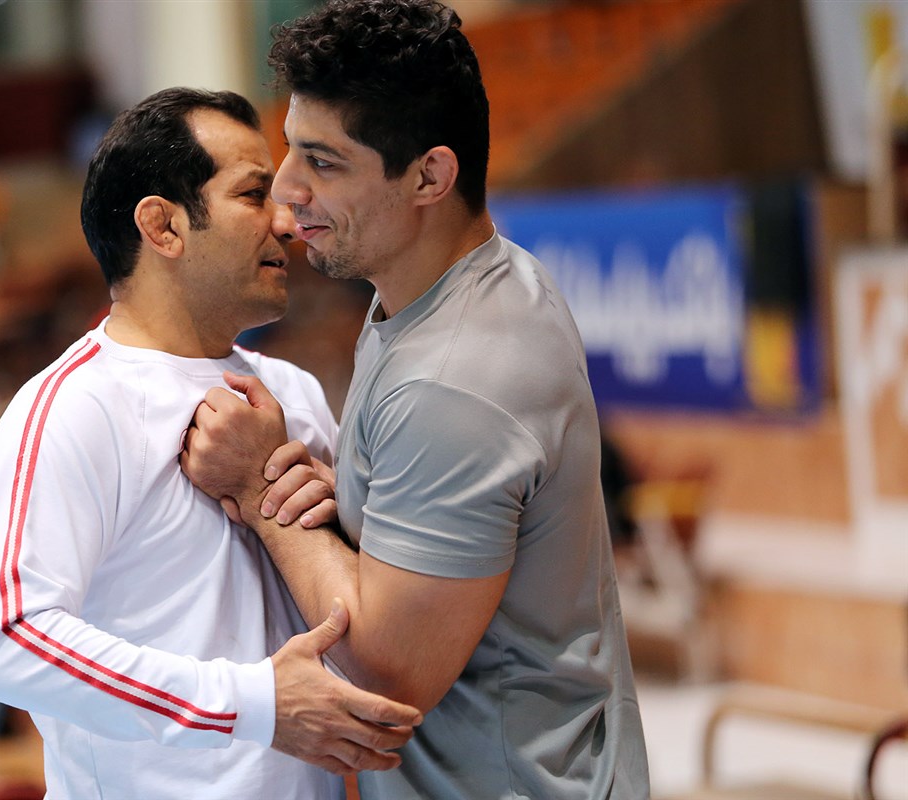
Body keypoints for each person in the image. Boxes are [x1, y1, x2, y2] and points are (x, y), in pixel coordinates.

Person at [179, 2, 650, 798]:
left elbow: (389, 677)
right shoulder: (478, 278)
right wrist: (358, 509)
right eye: (291, 148)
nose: (286, 191)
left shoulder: (454, 378)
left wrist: (262, 493)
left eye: (324, 163)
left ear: (430, 176)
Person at [0, 87, 421, 800]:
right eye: (253, 195)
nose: (287, 222)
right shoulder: (70, 410)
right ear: (164, 226)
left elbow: (359, 609)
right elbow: (9, 640)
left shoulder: (293, 391)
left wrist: (347, 516)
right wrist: (252, 704)